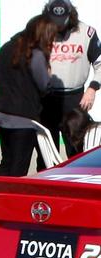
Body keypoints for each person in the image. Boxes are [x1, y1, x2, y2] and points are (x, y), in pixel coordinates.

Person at [0, 15, 58, 176]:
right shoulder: (35, 54)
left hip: (0, 114)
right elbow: (44, 86)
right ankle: (8, 200)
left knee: (7, 161)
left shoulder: (6, 48)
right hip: (22, 119)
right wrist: (49, 75)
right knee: (18, 167)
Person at [41, 0, 101, 158]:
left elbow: (100, 63)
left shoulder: (86, 33)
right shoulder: (40, 32)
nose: (59, 26)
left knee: (76, 150)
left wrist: (92, 88)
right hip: (47, 98)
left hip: (75, 99)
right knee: (46, 152)